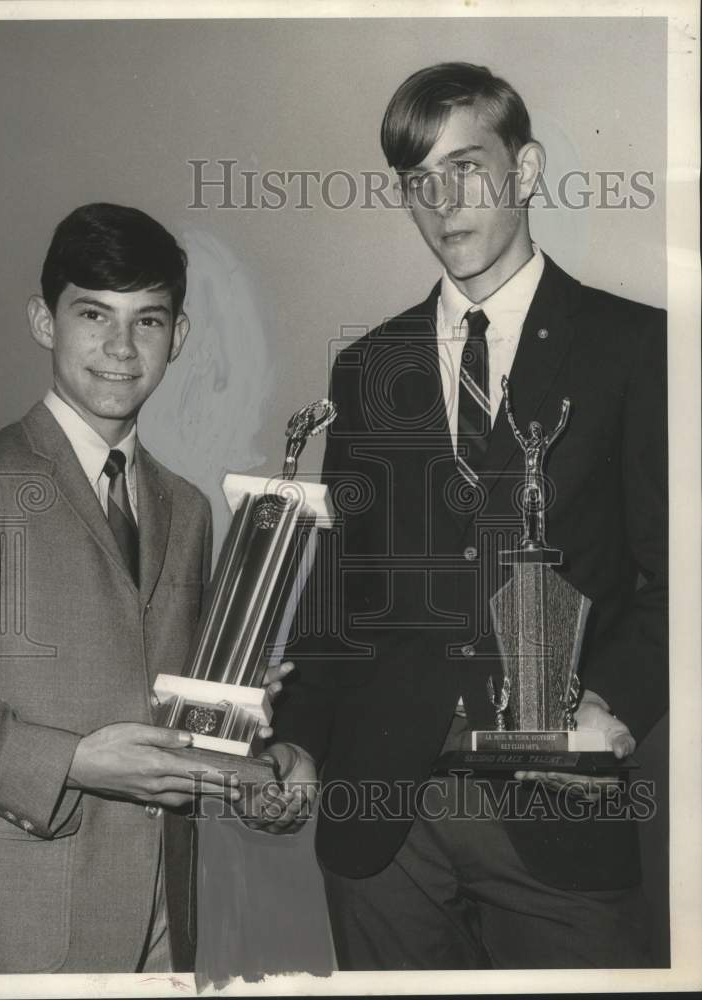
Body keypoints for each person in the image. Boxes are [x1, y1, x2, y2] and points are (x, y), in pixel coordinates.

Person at [264, 63, 668, 969]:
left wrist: (613, 709)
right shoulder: (368, 367)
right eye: (417, 181)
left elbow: (675, 581)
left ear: (524, 172)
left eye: (466, 168)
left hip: (558, 806)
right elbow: (342, 594)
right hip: (383, 823)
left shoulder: (635, 348)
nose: (442, 202)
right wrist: (294, 738)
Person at [0, 202, 290, 974]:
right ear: (42, 320)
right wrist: (72, 763)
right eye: (94, 315)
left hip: (172, 910)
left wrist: (234, 705)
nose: (121, 349)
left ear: (179, 337)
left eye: (149, 321)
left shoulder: (186, 507)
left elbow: (160, 698)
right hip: (30, 909)